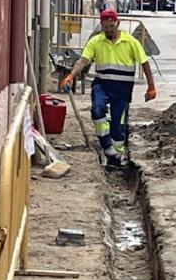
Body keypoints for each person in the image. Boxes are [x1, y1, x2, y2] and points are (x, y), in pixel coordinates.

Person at [60, 9, 157, 169]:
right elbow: (83, 61)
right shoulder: (96, 41)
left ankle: (117, 156)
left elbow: (144, 63)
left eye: (111, 26)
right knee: (97, 111)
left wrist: (151, 86)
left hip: (122, 89)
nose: (109, 30)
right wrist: (71, 75)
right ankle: (107, 147)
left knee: (118, 124)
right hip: (102, 85)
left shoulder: (131, 42)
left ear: (117, 24)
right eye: (105, 27)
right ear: (102, 26)